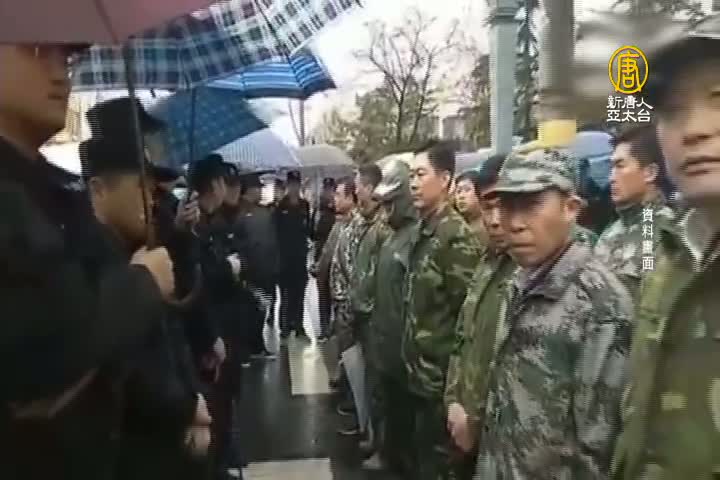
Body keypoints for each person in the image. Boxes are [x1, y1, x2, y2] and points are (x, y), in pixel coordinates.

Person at [0, 44, 174, 480]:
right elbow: (39, 357)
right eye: (36, 49)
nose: (61, 73)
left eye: (68, 58)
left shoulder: (47, 193)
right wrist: (144, 285)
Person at [475, 149, 633, 479]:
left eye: (531, 205)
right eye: (507, 206)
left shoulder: (601, 307)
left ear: (570, 209)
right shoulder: (520, 281)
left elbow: (597, 454)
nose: (514, 223)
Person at [611, 14, 720, 479]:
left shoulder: (655, 229)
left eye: (718, 99)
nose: (693, 129)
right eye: (672, 111)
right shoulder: (678, 254)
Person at [80, 134, 211, 479]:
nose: (152, 200)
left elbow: (173, 321)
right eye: (142, 186)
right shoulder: (91, 262)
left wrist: (181, 237)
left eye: (154, 189)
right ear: (98, 190)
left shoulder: (136, 246)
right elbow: (128, 362)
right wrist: (187, 409)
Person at [403, 140, 483, 480]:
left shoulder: (455, 238)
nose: (413, 183)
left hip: (441, 387)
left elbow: (469, 320)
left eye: (421, 174)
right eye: (411, 175)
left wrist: (457, 393)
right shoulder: (424, 230)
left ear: (445, 178)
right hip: (419, 379)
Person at [444, 153, 514, 479]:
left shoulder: (651, 223)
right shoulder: (488, 261)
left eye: (506, 206)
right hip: (470, 428)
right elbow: (463, 337)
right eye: (488, 207)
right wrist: (454, 401)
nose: (495, 220)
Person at [190, 155, 245, 480]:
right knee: (216, 406)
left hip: (226, 326)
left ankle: (224, 457)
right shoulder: (197, 225)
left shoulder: (215, 222)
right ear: (214, 185)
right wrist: (228, 267)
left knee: (225, 403)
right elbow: (199, 281)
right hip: (214, 332)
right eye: (224, 181)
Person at [361, 159, 417, 475]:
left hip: (403, 346)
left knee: (403, 415)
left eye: (390, 204)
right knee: (388, 405)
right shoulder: (393, 237)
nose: (385, 211)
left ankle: (397, 458)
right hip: (384, 338)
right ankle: (388, 452)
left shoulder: (415, 238)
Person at [594, 125, 675, 300]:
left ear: (650, 173)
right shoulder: (613, 230)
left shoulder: (667, 233)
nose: (611, 178)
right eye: (611, 167)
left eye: (620, 166)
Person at [274, 170, 311, 340]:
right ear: (288, 185)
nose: (294, 188)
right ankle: (285, 326)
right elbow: (275, 232)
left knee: (299, 294)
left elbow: (308, 229)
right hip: (284, 259)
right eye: (292, 184)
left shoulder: (305, 205)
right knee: (285, 295)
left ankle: (299, 326)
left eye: (297, 184)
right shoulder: (280, 207)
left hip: (300, 257)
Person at [313, 177, 336, 341]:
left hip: (334, 256)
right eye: (326, 189)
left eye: (331, 189)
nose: (328, 193)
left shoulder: (338, 211)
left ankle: (333, 326)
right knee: (323, 294)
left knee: (334, 292)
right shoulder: (319, 210)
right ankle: (324, 327)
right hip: (321, 254)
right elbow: (314, 233)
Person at [455, 168, 489, 245]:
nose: (461, 196)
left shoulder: (489, 227)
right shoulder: (457, 228)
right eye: (458, 191)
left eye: (467, 190)